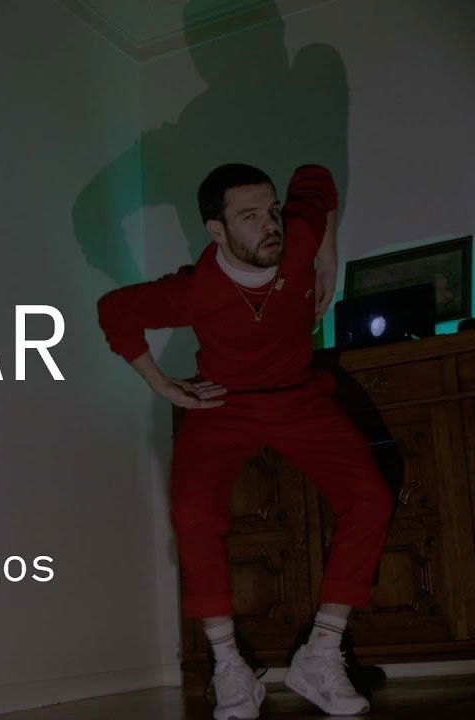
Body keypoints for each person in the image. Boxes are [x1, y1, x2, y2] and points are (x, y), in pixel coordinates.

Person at [96, 163, 393, 718]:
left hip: (299, 396)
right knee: (191, 512)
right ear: (217, 230)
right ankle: (229, 664)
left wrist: (328, 258)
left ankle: (321, 652)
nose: (270, 225)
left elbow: (315, 178)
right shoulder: (195, 292)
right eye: (250, 217)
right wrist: (163, 385)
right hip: (224, 404)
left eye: (272, 210)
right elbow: (113, 312)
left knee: (371, 498)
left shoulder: (298, 240)